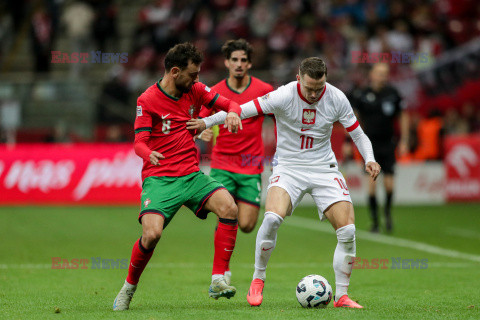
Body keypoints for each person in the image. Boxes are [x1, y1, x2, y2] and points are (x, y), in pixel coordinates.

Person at [187, 57, 381, 308]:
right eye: (309, 87)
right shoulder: (283, 95)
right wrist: (207, 121)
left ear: (326, 81)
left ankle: (342, 295)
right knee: (271, 218)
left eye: (318, 88)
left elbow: (358, 133)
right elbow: (241, 110)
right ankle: (258, 279)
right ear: (298, 79)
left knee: (348, 231)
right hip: (289, 168)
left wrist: (370, 158)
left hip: (324, 168)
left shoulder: (336, 98)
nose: (313, 93)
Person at [113, 42, 243, 311]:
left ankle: (218, 279)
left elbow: (231, 104)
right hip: (160, 178)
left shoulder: (195, 90)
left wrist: (229, 114)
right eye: (193, 74)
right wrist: (148, 153)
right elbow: (139, 142)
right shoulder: (147, 100)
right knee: (151, 235)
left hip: (191, 175)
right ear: (175, 71)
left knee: (229, 207)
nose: (197, 79)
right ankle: (129, 287)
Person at [199, 39, 274, 285]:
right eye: (234, 60)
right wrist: (201, 132)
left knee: (247, 225)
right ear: (226, 62)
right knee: (224, 213)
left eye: (243, 60)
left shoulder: (264, 90)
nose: (239, 64)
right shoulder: (214, 91)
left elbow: (283, 117)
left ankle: (222, 267)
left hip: (251, 166)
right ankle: (222, 271)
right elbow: (199, 119)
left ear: (250, 63)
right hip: (222, 164)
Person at [350, 63, 409, 233]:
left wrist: (404, 139)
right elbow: (355, 117)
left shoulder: (393, 94)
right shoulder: (362, 94)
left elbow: (403, 115)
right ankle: (375, 222)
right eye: (379, 73)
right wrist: (353, 140)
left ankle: (387, 214)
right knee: (372, 184)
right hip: (370, 145)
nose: (382, 76)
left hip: (388, 143)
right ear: (372, 75)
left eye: (385, 73)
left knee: (390, 186)